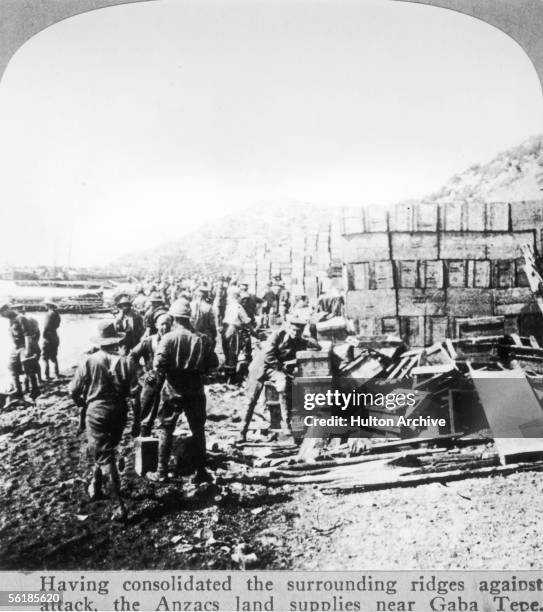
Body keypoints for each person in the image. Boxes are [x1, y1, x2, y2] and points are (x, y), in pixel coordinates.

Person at [139, 298, 218, 484]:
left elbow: (159, 365)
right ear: (188, 318)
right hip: (196, 390)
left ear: (174, 318)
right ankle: (201, 471)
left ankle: (161, 471)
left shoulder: (168, 338)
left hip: (173, 389)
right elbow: (213, 364)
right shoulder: (202, 339)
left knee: (166, 428)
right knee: (198, 430)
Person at [69, 321, 138, 521]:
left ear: (99, 341)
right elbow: (135, 394)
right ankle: (96, 485)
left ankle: (119, 506)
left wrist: (82, 403)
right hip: (119, 411)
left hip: (97, 412)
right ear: (115, 340)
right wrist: (137, 422)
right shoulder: (126, 361)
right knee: (106, 449)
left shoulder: (89, 361)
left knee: (105, 455)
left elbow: (72, 390)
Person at [240, 314, 320, 442]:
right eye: (293, 330)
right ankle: (241, 432)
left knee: (283, 384)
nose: (295, 333)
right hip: (260, 368)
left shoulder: (299, 341)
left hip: (274, 370)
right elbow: (268, 356)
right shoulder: (277, 335)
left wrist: (311, 332)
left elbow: (317, 346)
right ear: (288, 328)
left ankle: (286, 424)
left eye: (298, 332)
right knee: (251, 400)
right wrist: (283, 367)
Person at [129, 313, 173, 436]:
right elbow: (132, 357)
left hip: (169, 382)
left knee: (167, 414)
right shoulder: (149, 341)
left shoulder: (173, 340)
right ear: (156, 325)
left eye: (168, 324)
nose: (165, 327)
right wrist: (142, 373)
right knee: (145, 411)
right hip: (152, 381)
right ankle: (141, 436)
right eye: (162, 324)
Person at [0, 302, 40, 401]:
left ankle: (35, 390)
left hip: (25, 346)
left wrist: (28, 350)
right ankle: (18, 390)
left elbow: (28, 335)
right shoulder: (11, 320)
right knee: (12, 366)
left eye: (2, 313)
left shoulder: (21, 318)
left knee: (28, 367)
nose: (1, 316)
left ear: (7, 309)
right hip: (17, 347)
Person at [221, 288, 253, 378]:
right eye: (240, 297)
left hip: (226, 329)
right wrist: (254, 332)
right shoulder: (238, 307)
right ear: (237, 296)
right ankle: (231, 377)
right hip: (233, 329)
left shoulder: (229, 306)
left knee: (227, 352)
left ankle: (227, 374)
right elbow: (246, 321)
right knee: (233, 353)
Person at [42, 298, 61, 380]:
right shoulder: (57, 314)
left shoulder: (49, 314)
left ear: (49, 305)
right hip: (55, 336)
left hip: (49, 338)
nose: (45, 306)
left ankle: (47, 376)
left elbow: (46, 327)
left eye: (46, 304)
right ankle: (57, 374)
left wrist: (44, 336)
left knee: (44, 357)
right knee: (54, 357)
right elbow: (56, 326)